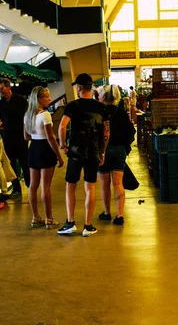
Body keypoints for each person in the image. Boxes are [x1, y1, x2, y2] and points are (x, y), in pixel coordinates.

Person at [58, 73, 110, 237]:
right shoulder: (102, 107)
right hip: (93, 151)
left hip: (75, 152)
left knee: (70, 186)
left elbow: (61, 127)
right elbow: (106, 133)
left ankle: (70, 223)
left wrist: (63, 146)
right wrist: (102, 151)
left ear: (79, 88)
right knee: (90, 187)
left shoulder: (72, 106)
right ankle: (88, 226)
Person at [23, 86, 64, 229]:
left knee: (33, 185)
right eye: (47, 96)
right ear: (39, 99)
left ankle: (35, 217)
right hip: (45, 149)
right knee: (45, 186)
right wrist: (59, 156)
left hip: (33, 148)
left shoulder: (27, 115)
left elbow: (26, 136)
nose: (50, 99)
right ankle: (49, 218)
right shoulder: (45, 115)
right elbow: (51, 138)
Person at [96, 85, 136, 226]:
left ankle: (107, 213)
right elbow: (131, 132)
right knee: (118, 183)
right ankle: (119, 215)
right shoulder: (122, 113)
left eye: (99, 95)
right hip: (119, 151)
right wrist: (125, 148)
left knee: (104, 184)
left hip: (103, 151)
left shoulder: (99, 113)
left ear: (104, 97)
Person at [0, 79, 29, 197]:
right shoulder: (0, 103)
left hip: (21, 135)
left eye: (2, 88)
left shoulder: (21, 100)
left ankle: (30, 185)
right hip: (8, 136)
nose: (1, 91)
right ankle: (16, 189)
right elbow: (1, 118)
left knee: (24, 161)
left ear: (9, 87)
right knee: (11, 163)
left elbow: (27, 117)